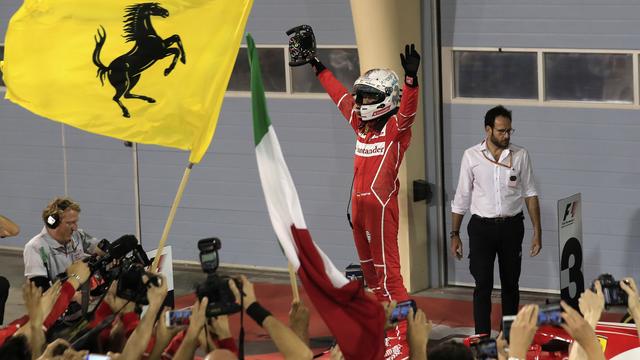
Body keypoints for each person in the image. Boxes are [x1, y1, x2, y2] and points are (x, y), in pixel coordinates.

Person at [289, 25, 421, 358]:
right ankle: (380, 330)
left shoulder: (394, 131)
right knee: (371, 280)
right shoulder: (360, 126)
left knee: (391, 279)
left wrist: (410, 81)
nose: (361, 102)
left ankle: (401, 340)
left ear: (385, 99)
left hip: (381, 211)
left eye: (368, 97)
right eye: (361, 96)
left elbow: (407, 113)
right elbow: (339, 96)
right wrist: (316, 65)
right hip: (358, 215)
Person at [450, 105, 542, 335]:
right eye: (501, 131)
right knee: (483, 286)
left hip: (512, 228)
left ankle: (509, 337)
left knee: (511, 285)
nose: (507, 135)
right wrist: (455, 234)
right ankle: (482, 338)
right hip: (481, 229)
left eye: (510, 131)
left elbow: (530, 193)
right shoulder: (471, 156)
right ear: (488, 129)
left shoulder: (520, 155)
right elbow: (461, 197)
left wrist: (537, 232)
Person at [23, 197, 103, 290]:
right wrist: (72, 295)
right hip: (59, 301)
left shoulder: (77, 235)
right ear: (53, 223)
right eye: (70, 223)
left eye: (75, 222)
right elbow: (40, 290)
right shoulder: (35, 247)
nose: (75, 228)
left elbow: (99, 248)